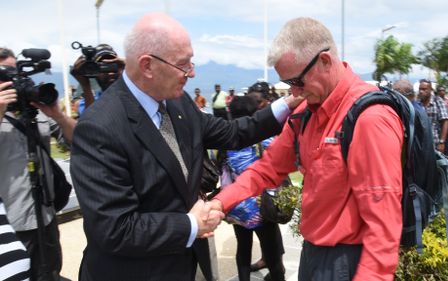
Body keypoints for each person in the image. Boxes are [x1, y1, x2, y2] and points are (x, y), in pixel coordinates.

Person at [69, 13, 299, 281]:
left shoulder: (178, 104)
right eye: (183, 64)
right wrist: (190, 224)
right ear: (147, 66)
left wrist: (287, 105)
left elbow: (233, 133)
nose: (192, 72)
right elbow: (114, 228)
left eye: (191, 61)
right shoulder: (100, 128)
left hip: (182, 264)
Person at [209, 17, 404, 280]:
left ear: (324, 61)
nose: (295, 92)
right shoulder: (306, 113)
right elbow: (267, 170)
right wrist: (221, 202)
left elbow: (384, 226)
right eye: (289, 84)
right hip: (313, 253)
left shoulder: (370, 119)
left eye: (298, 81)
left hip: (348, 261)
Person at [0, 47, 76, 280]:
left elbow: (78, 142)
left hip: (45, 216)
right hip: (11, 225)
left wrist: (58, 115)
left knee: (51, 273)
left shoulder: (35, 112)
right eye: (5, 74)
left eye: (14, 72)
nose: (12, 80)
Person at [222, 91, 285, 281]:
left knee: (243, 248)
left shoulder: (225, 141)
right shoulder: (264, 139)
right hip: (261, 205)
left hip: (236, 205)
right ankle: (277, 277)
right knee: (271, 250)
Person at [70, 43, 125, 115]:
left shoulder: (134, 93)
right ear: (94, 71)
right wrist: (85, 85)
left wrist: (132, 66)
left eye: (113, 66)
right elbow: (90, 120)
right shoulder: (94, 100)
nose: (110, 73)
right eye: (104, 68)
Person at [418, 79, 448, 153]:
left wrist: (442, 142)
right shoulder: (418, 103)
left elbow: (445, 121)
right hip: (420, 142)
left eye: (424, 89)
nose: (421, 91)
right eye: (420, 89)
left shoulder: (438, 101)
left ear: (430, 90)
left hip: (434, 142)